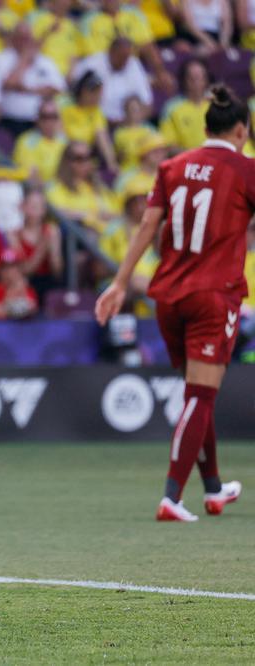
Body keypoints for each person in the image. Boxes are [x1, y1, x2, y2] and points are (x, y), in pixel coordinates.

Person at [95, 84, 251, 522]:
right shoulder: (245, 170)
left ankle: (215, 489)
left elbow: (147, 227)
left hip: (168, 296)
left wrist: (120, 282)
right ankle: (171, 496)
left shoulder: (171, 166)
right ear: (241, 130)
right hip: (213, 295)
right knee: (200, 396)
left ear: (204, 127)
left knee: (197, 395)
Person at [0, 249, 38, 319]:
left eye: (13, 267)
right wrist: (13, 292)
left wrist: (20, 290)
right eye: (5, 267)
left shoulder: (27, 290)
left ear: (19, 269)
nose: (9, 271)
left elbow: (31, 308)